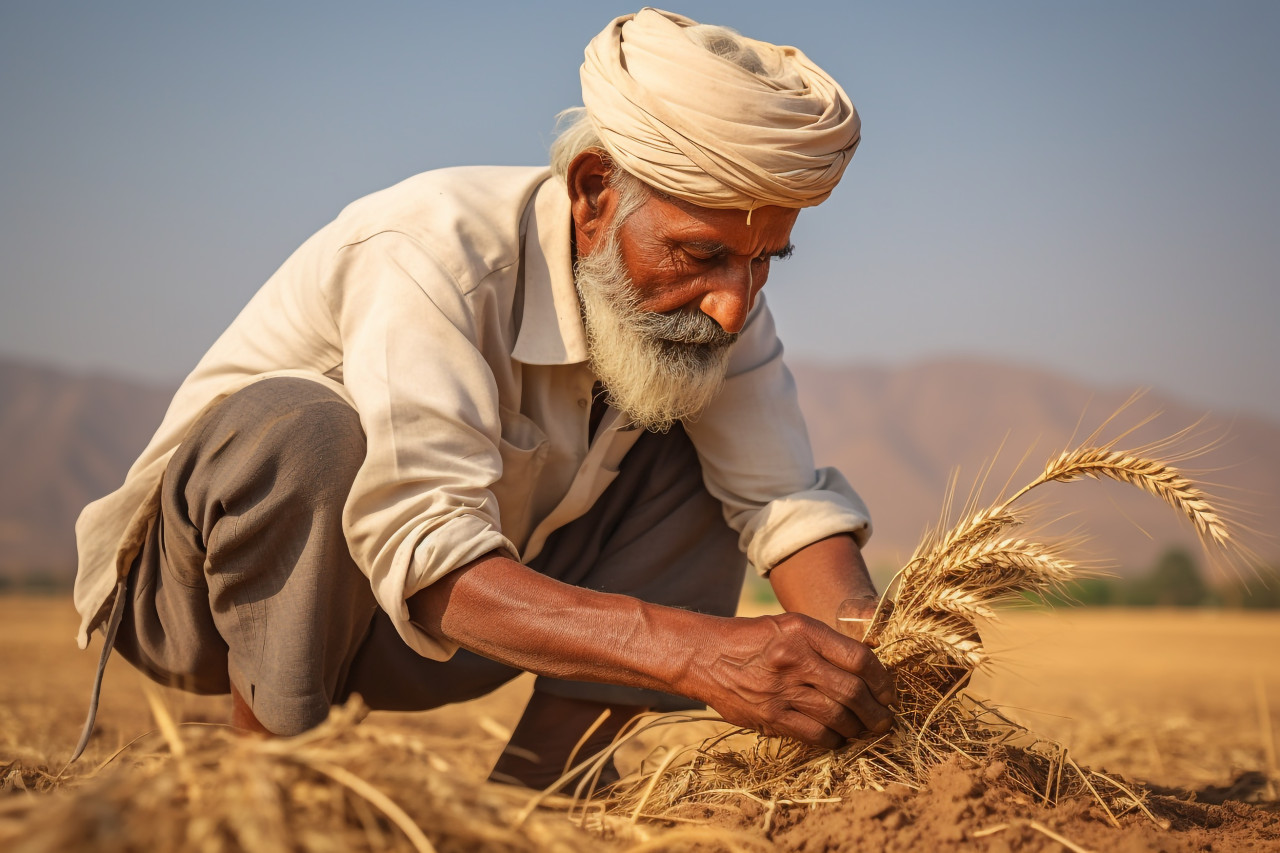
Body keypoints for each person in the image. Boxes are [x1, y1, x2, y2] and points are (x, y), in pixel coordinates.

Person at [71, 8, 896, 789]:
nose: (734, 304)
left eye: (764, 262)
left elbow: (781, 500)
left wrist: (879, 660)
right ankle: (274, 791)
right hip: (205, 611)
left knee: (698, 456)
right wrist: (699, 653)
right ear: (594, 191)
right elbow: (425, 550)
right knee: (306, 433)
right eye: (701, 254)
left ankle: (537, 799)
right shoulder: (431, 250)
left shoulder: (719, 301)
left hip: (429, 639)